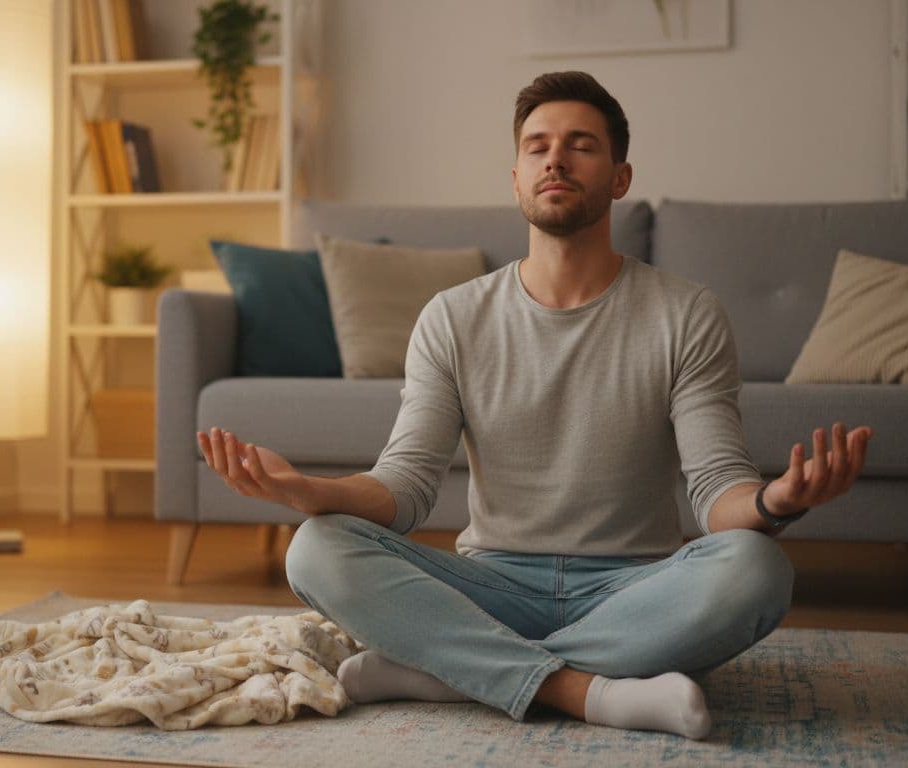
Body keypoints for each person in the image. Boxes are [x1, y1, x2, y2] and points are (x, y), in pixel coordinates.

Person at [195, 71, 873, 741]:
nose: (555, 157)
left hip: (632, 589)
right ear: (516, 176)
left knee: (756, 569)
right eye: (537, 144)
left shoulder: (687, 313)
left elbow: (718, 492)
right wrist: (307, 490)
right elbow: (405, 489)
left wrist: (777, 502)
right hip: (491, 585)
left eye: (581, 144)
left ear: (619, 177)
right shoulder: (452, 317)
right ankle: (586, 690)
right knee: (316, 548)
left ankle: (449, 671)